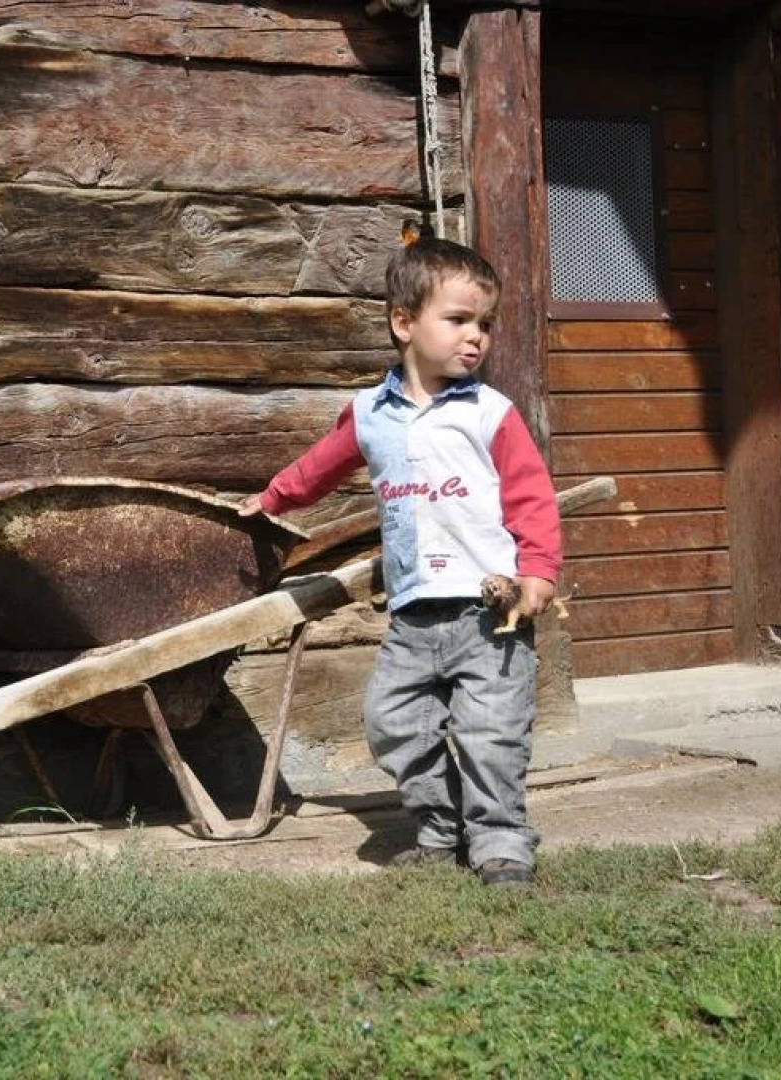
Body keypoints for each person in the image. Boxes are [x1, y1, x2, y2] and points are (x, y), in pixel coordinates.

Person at [239, 227, 561, 887]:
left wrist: (538, 569)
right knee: (392, 725)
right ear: (403, 323)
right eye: (459, 320)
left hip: (487, 614)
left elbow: (533, 497)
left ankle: (501, 847)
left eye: (486, 324)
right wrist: (271, 499)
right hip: (413, 616)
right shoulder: (368, 415)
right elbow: (317, 468)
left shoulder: (490, 414)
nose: (477, 336)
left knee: (490, 737)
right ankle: (442, 828)